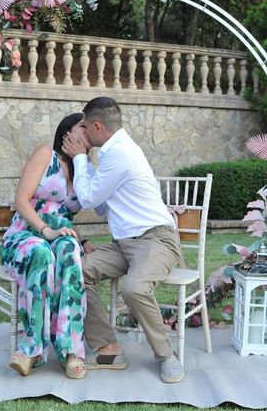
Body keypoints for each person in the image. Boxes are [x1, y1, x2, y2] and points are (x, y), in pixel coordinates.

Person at [62, 96, 185, 384]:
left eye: (84, 128)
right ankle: (109, 349)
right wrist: (89, 166)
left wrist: (80, 158)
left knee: (134, 288)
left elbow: (90, 198)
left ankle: (167, 356)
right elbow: (102, 206)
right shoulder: (109, 153)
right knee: (78, 271)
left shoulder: (121, 154)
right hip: (125, 244)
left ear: (96, 127)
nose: (82, 135)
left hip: (157, 240)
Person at [2, 112, 90, 379]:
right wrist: (45, 230)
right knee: (42, 253)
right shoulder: (45, 155)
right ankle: (32, 349)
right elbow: (21, 201)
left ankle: (70, 348)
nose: (88, 133)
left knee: (69, 251)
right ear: (66, 132)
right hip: (26, 233)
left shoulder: (84, 169)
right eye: (82, 127)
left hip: (59, 235)